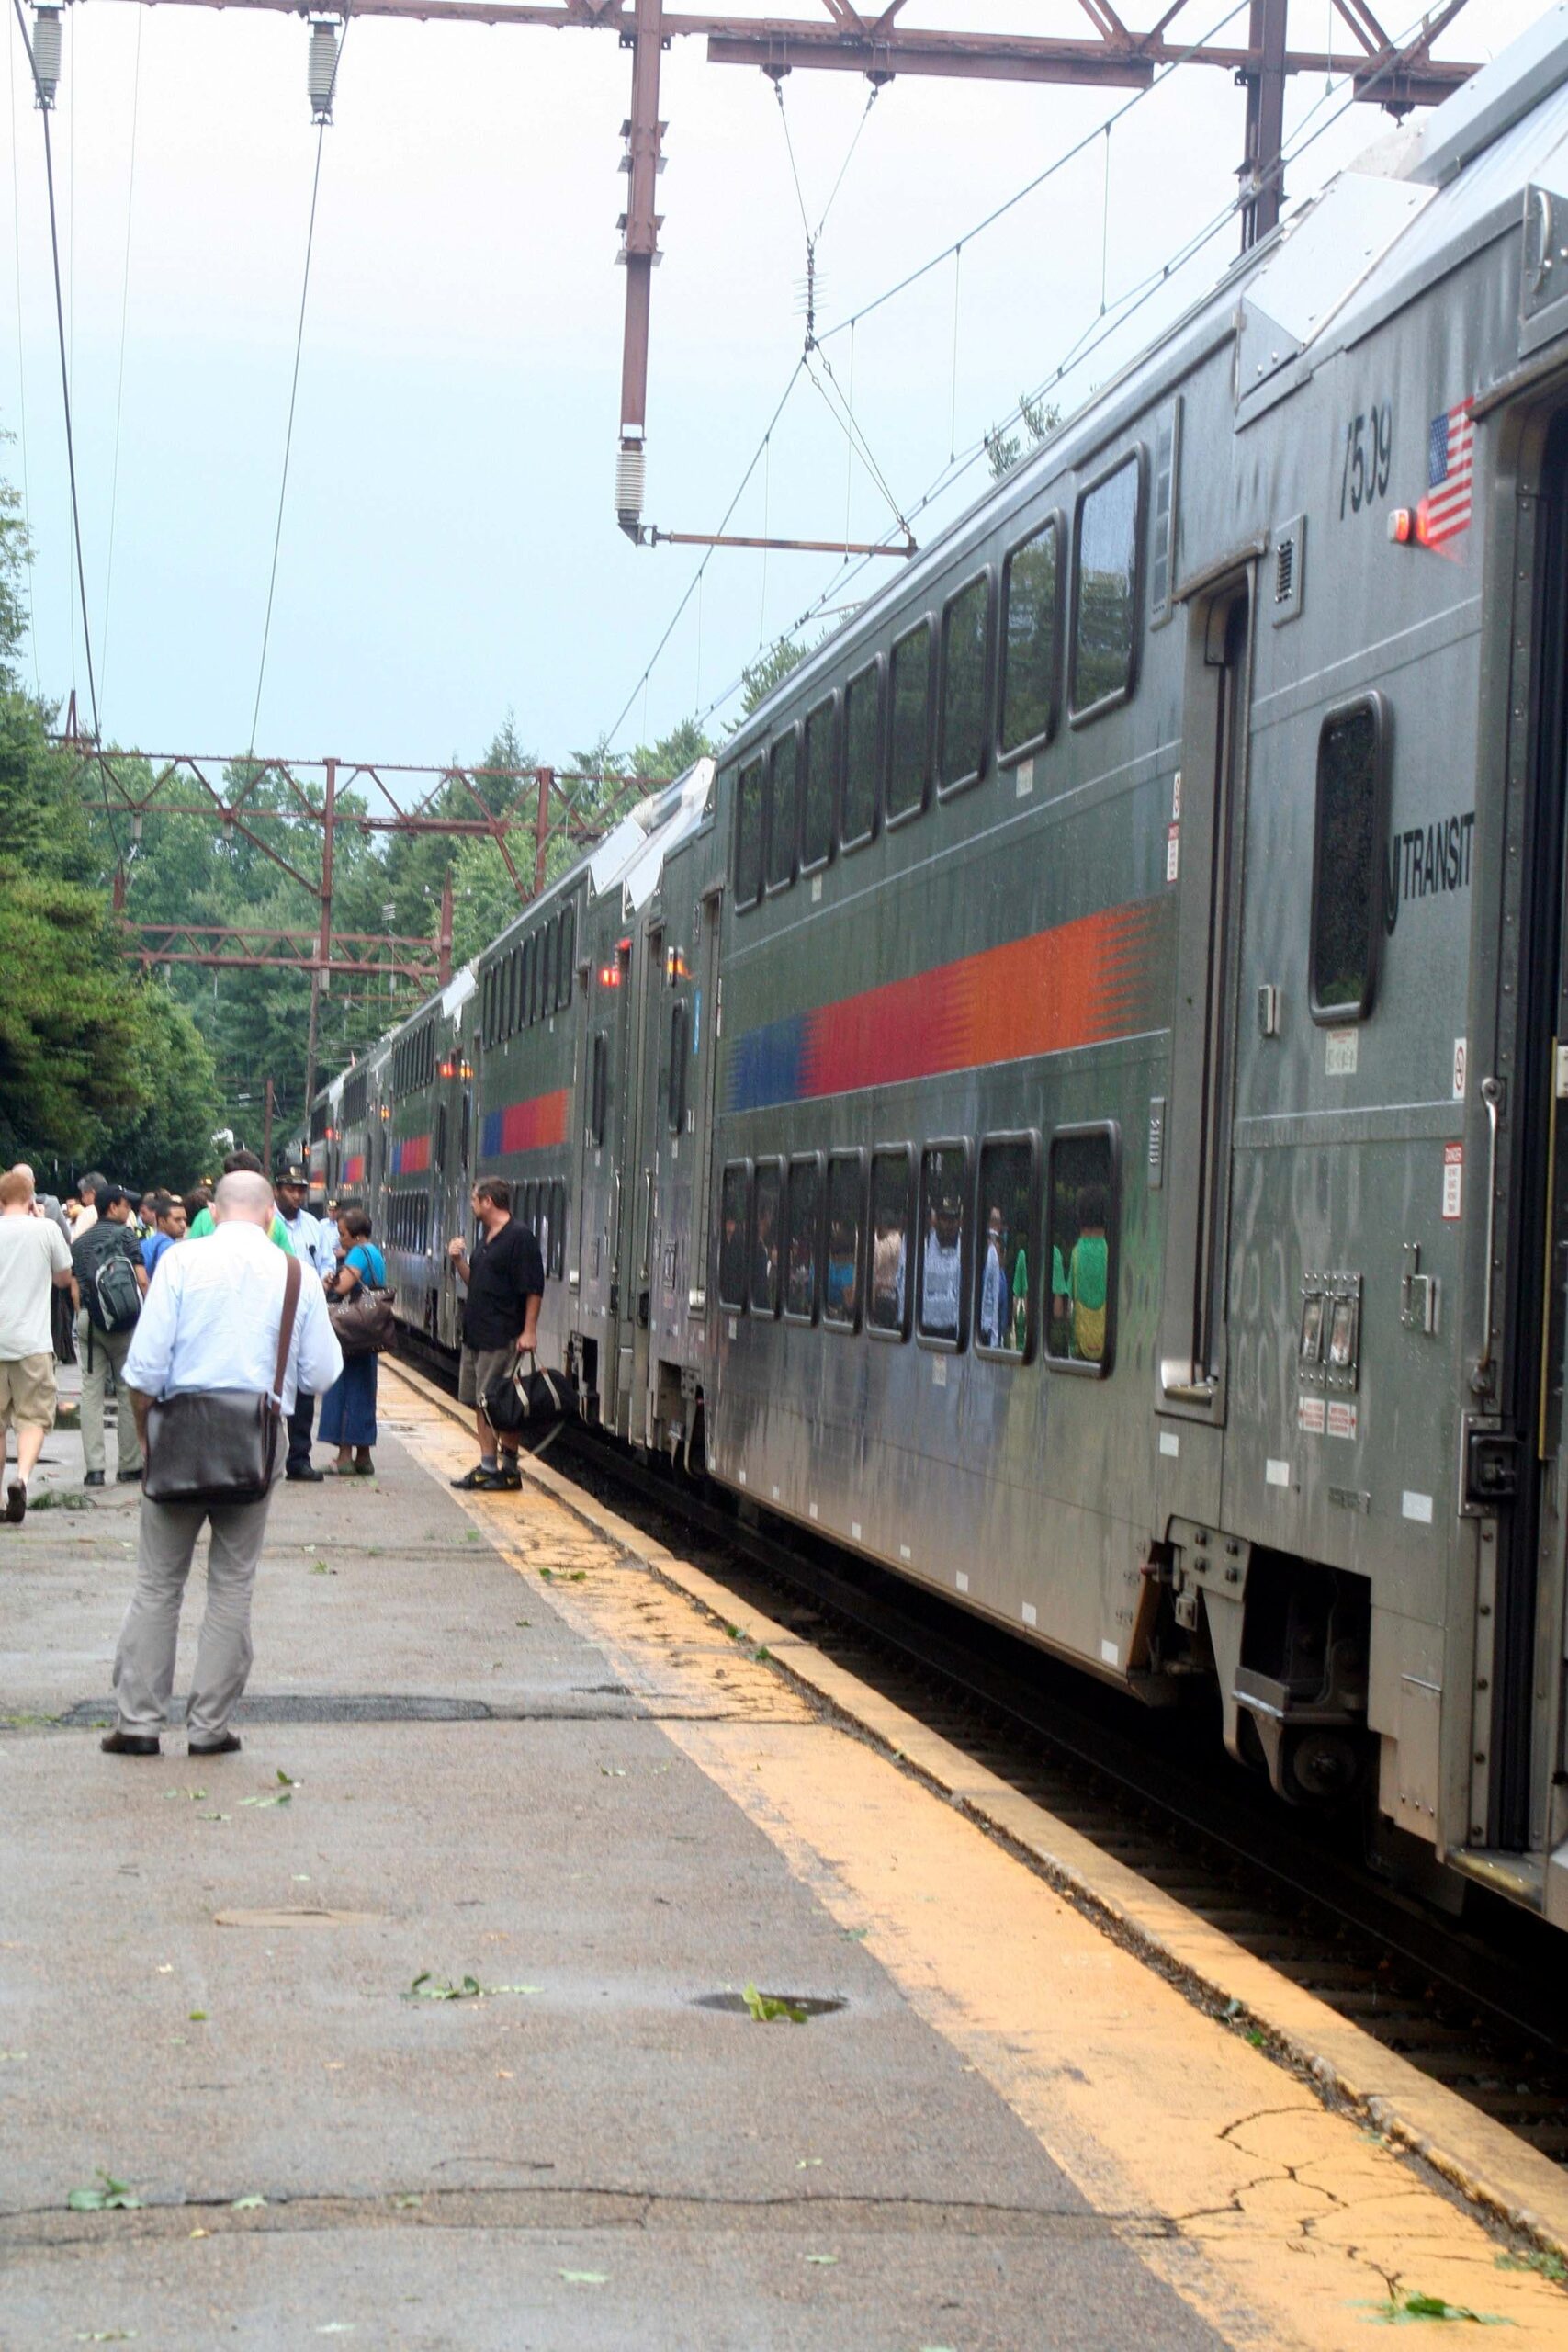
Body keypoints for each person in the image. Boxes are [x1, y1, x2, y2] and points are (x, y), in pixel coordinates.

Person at [102, 1171, 343, 1758]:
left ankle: (138, 1724)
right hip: (255, 1443)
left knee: (158, 1585)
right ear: (268, 1217)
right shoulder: (296, 1273)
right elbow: (321, 1374)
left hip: (178, 1437)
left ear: (215, 1210)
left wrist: (146, 1436)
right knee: (232, 1586)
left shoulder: (182, 1263)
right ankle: (209, 1727)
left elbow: (145, 1370)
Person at [446, 1178, 543, 1492]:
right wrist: (459, 1261)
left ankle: (509, 1468)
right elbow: (475, 1282)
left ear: (488, 1201)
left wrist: (529, 1330)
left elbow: (533, 1288)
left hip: (501, 1334)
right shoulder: (486, 1238)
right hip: (477, 1334)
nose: (472, 1205)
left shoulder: (519, 1237)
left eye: (474, 1200)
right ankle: (489, 1466)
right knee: (482, 1402)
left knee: (500, 1403)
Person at [0, 1167, 74, 1523]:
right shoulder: (46, 1229)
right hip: (33, 1342)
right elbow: (63, 1278)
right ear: (32, 1199)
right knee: (32, 1419)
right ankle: (22, 1477)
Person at [72, 1183, 149, 1488]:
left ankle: (94, 1469)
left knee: (91, 1394)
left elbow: (76, 1287)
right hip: (123, 1322)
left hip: (90, 1320)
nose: (129, 1208)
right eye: (125, 1204)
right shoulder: (126, 1236)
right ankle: (129, 1465)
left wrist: (85, 1316)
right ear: (112, 1207)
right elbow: (141, 1279)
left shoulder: (79, 1242)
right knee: (126, 1388)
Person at [275, 1165, 336, 1483]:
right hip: (273, 1311)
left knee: (304, 1387)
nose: (297, 1196)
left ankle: (299, 1458)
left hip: (307, 1311)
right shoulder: (267, 1221)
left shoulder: (313, 1225)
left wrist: (325, 1278)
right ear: (276, 1190)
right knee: (269, 1381)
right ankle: (267, 1455)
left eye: (301, 1190)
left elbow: (328, 1260)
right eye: (290, 1189)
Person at [318, 1207, 386, 1477]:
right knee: (365, 1391)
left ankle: (344, 1457)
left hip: (352, 1334)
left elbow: (342, 1288)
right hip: (369, 1333)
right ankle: (364, 1457)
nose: (340, 1239)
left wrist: (327, 1284)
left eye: (343, 1234)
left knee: (344, 1391)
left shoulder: (357, 1253)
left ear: (357, 1236)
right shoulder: (376, 1253)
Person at [186, 1151, 295, 1253]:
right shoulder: (273, 1222)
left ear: (225, 1179)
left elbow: (189, 1257)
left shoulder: (204, 1217)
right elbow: (289, 1265)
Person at [920, 1193, 962, 1340]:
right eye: (944, 1219)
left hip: (953, 1335)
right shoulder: (923, 1247)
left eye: (952, 1220)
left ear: (959, 1221)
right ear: (935, 1220)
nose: (948, 1225)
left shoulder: (966, 1251)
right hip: (926, 1331)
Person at [979, 1205, 1008, 1350]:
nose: (997, 1226)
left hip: (994, 1339)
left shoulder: (1001, 1274)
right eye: (994, 1221)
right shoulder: (981, 1260)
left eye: (999, 1222)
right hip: (982, 1333)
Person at [141, 1193, 187, 1281]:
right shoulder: (170, 1248)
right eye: (177, 1220)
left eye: (185, 1220)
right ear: (162, 1221)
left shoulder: (143, 1245)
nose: (183, 1225)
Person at [73, 1171, 107, 1238]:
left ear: (92, 1192)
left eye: (83, 1195)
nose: (82, 1200)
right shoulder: (121, 1211)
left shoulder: (89, 1213)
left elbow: (77, 1242)